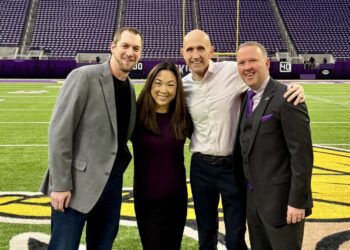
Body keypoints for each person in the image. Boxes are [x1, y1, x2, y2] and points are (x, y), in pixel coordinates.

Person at [180, 29, 305, 250]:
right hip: (200, 168)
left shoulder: (232, 70)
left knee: (235, 236)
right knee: (206, 233)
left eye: (201, 48)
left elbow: (263, 82)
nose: (196, 54)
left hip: (232, 167)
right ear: (183, 53)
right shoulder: (183, 86)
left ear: (212, 51)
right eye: (190, 49)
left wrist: (295, 87)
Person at [39, 27, 143, 250]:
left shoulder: (130, 88)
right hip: (76, 185)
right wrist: (60, 185)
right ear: (112, 47)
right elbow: (60, 131)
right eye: (125, 46)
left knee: (103, 245)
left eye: (136, 48)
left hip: (112, 184)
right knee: (63, 246)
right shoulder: (84, 76)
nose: (130, 52)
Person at [236, 41, 313, 250]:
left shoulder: (287, 97)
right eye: (241, 62)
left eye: (253, 60)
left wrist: (298, 201)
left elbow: (302, 156)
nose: (247, 66)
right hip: (254, 205)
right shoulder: (245, 98)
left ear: (267, 63)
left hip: (282, 205)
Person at [132, 62, 191, 250]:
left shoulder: (182, 116)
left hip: (176, 198)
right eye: (158, 83)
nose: (163, 90)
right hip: (147, 199)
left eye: (171, 84)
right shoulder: (136, 115)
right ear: (150, 84)